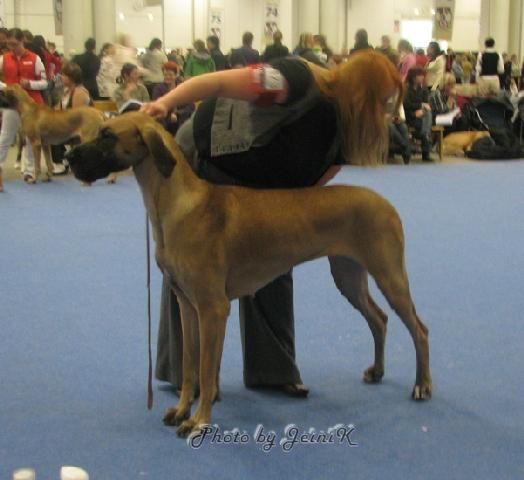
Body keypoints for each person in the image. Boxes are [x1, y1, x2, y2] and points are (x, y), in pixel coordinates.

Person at [140, 50, 403, 397]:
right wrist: (166, 102)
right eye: (382, 102)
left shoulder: (349, 127)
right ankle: (184, 376)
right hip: (209, 152)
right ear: (360, 95)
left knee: (277, 257)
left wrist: (284, 224)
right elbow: (219, 82)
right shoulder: (295, 81)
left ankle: (272, 371)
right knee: (191, 269)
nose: (386, 113)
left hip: (262, 177)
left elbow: (314, 178)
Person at [0, 27, 48, 191]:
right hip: (11, 105)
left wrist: (30, 84)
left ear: (22, 41)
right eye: (9, 44)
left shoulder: (35, 58)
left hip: (32, 106)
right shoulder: (4, 59)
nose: (11, 47)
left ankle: (29, 171)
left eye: (14, 44)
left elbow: (45, 82)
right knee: (5, 138)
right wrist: (5, 87)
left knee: (30, 140)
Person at [151, 61, 194, 135]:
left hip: (182, 118)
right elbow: (157, 105)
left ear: (176, 75)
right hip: (165, 120)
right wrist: (170, 114)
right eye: (165, 75)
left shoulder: (182, 87)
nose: (167, 77)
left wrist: (177, 114)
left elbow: (190, 106)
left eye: (170, 75)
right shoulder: (158, 88)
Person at [403, 67, 433, 162]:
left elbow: (426, 103)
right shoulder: (406, 89)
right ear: (413, 77)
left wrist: (421, 111)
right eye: (420, 75)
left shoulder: (423, 89)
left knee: (427, 115)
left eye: (423, 75)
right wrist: (419, 107)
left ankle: (422, 136)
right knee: (425, 121)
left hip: (421, 114)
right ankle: (425, 153)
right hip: (409, 114)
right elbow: (406, 104)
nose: (422, 77)